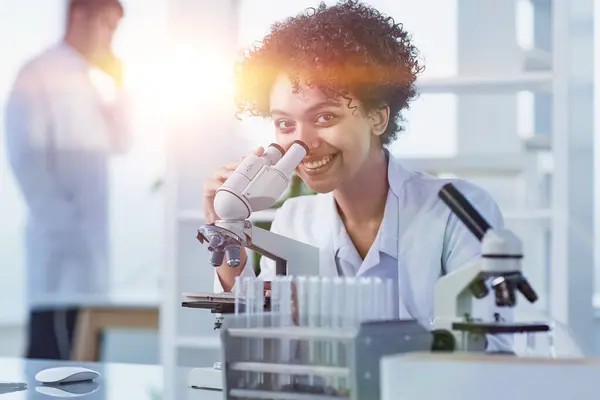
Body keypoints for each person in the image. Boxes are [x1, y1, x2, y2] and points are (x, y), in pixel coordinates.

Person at [205, 0, 512, 351]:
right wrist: (229, 241)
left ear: (377, 118)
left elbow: (495, 350)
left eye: (324, 117)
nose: (300, 144)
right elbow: (259, 343)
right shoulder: (294, 220)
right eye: (285, 124)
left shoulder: (459, 211)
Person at [4, 0, 131, 360]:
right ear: (79, 17)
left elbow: (122, 142)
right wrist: (65, 227)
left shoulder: (90, 81)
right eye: (107, 26)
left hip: (89, 257)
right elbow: (24, 157)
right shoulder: (38, 73)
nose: (111, 38)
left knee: (87, 364)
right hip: (60, 258)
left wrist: (120, 85)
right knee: (53, 368)